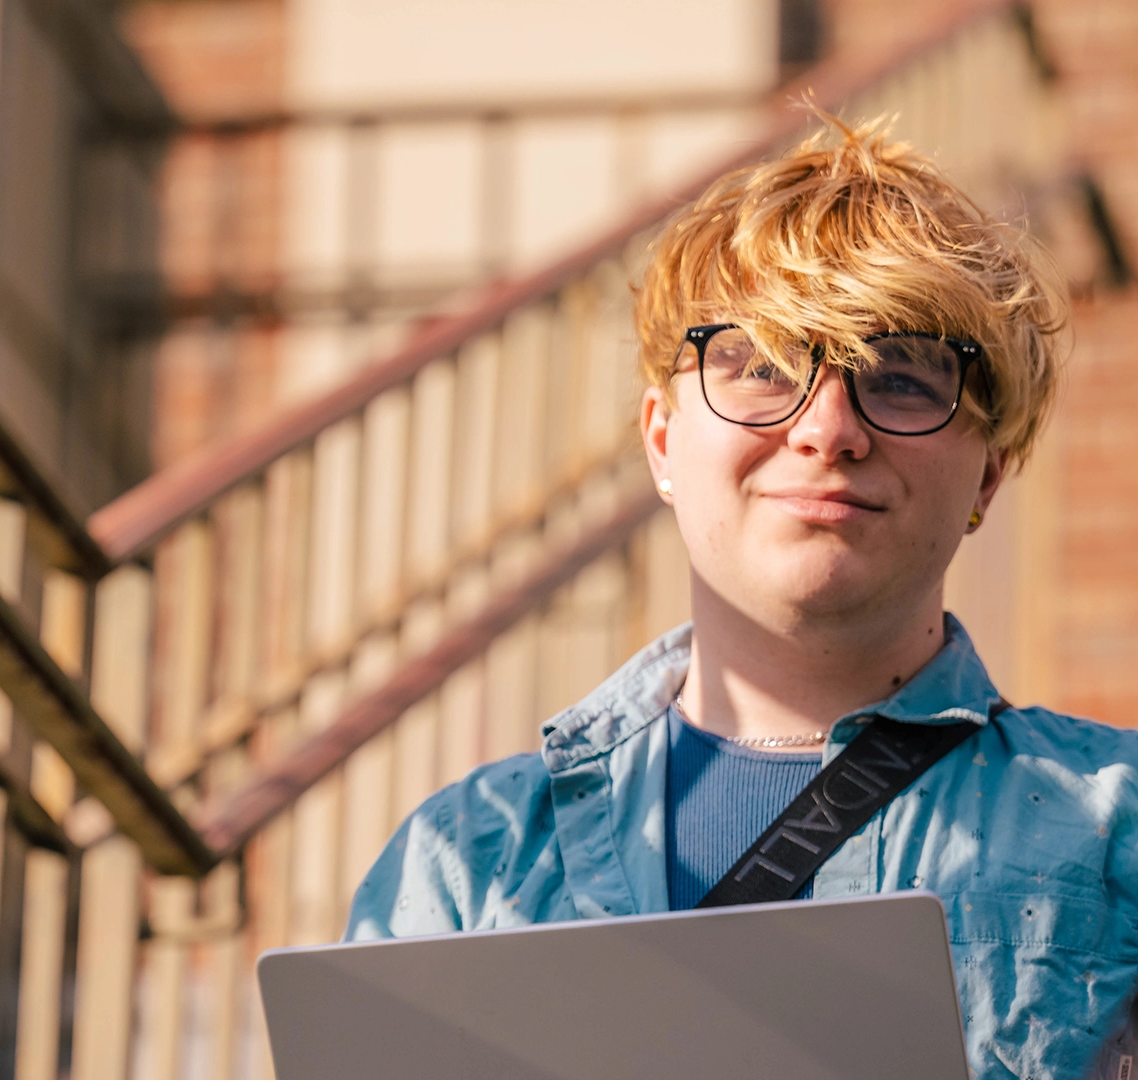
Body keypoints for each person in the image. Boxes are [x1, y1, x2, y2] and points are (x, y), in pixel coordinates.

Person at [345, 115, 1138, 1080]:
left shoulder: (1119, 834)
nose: (828, 427)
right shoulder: (470, 862)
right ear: (661, 440)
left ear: (988, 477)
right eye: (761, 366)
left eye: (902, 376)